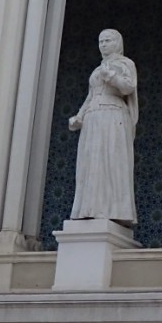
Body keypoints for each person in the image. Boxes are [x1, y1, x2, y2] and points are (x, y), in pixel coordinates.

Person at [67, 29, 139, 224]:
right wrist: (79, 116)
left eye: (108, 41)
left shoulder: (125, 64)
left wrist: (112, 76)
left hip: (113, 115)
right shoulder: (97, 69)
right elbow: (91, 96)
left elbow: (128, 87)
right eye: (101, 41)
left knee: (111, 161)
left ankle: (114, 210)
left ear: (117, 43)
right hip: (93, 118)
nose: (103, 45)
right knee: (91, 162)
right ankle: (90, 208)